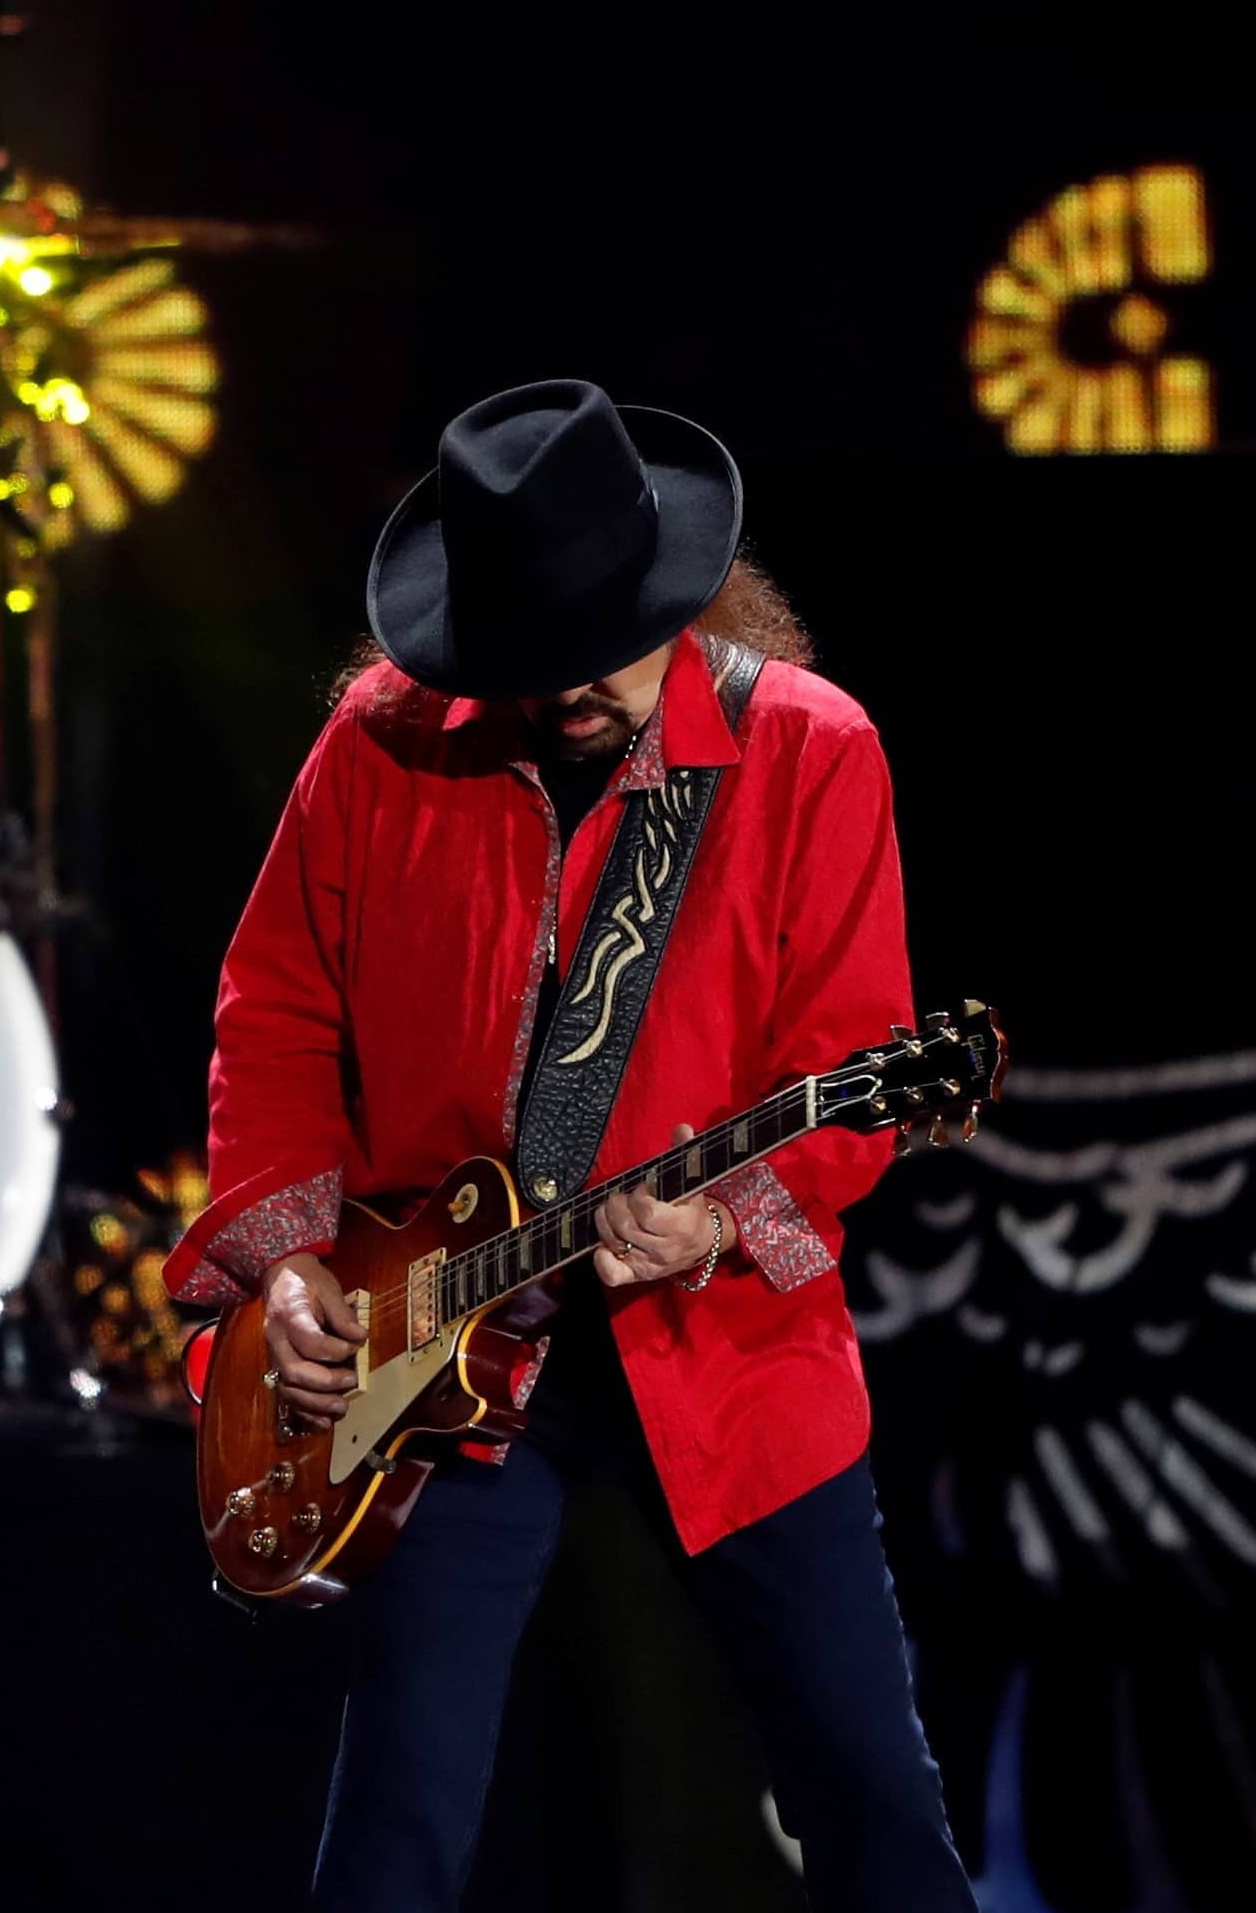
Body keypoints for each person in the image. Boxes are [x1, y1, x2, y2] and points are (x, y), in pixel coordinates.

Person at [163, 380, 973, 1910]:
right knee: (394, 1829)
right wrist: (283, 1264)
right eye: (522, 659)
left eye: (592, 647)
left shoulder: (809, 749)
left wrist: (722, 1215)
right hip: (446, 1351)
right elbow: (272, 1013)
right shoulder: (378, 744)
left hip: (729, 1350)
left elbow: (847, 1063)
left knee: (871, 1799)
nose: (563, 691)